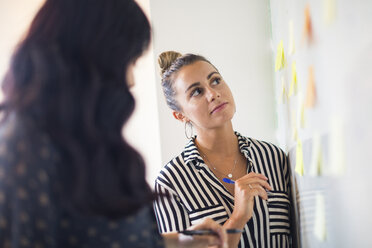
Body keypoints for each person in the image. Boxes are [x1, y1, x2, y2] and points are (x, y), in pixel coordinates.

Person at [0, 1, 227, 248]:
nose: (130, 80)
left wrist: (181, 242)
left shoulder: (88, 140)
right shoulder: (22, 150)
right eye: (128, 62)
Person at [154, 51, 292, 248]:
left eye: (216, 80)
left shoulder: (273, 158)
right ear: (180, 115)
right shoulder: (170, 184)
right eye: (196, 92)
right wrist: (237, 218)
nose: (213, 94)